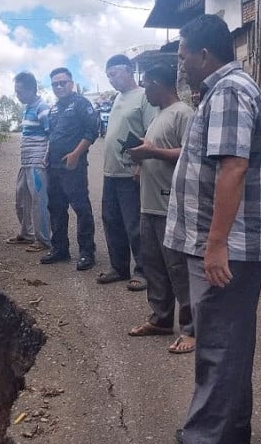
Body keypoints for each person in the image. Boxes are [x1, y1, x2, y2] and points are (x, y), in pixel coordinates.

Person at [154, 14, 261, 444]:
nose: (180, 64)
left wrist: (216, 245)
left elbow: (233, 169)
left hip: (227, 246)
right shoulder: (226, 90)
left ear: (205, 54)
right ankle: (231, 428)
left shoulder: (228, 92)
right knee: (232, 339)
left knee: (218, 344)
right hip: (229, 243)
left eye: (183, 55)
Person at [126, 62, 195, 354]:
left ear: (158, 83)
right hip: (150, 204)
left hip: (172, 206)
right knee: (154, 266)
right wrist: (143, 157)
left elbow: (191, 154)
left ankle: (192, 328)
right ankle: (161, 318)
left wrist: (152, 151)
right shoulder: (158, 115)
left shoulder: (184, 113)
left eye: (146, 84)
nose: (144, 90)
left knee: (179, 268)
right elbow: (158, 148)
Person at [96, 54, 158, 290]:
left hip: (131, 172)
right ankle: (118, 267)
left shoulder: (143, 97)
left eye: (114, 73)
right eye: (108, 75)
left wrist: (141, 165)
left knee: (135, 225)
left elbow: (151, 134)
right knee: (111, 220)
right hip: (111, 172)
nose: (111, 79)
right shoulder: (118, 98)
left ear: (129, 70)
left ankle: (142, 271)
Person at [40, 67, 99, 271]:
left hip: (73, 166)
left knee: (81, 208)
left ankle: (86, 252)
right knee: (56, 208)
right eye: (55, 83)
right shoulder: (54, 108)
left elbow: (92, 132)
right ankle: (60, 249)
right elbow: (54, 136)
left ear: (71, 83)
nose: (59, 86)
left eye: (62, 82)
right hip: (54, 167)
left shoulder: (82, 104)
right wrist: (47, 156)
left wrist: (76, 154)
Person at [6, 71, 52, 253]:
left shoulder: (43, 108)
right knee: (22, 199)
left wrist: (46, 157)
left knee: (38, 201)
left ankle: (43, 240)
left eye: (20, 92)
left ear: (32, 89)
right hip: (25, 162)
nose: (17, 95)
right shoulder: (28, 107)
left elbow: (51, 135)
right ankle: (27, 234)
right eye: (16, 92)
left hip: (37, 163)